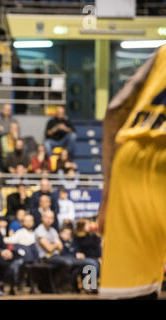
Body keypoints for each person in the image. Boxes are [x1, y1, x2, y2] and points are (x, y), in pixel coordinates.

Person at [96, 46, 166, 299]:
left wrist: (108, 195)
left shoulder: (163, 53)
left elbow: (116, 107)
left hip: (132, 157)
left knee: (128, 291)